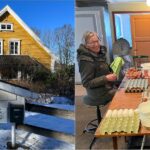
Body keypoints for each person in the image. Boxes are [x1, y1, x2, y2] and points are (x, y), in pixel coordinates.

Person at [77, 31, 117, 106]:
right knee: (122, 93)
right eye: (92, 42)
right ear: (86, 45)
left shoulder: (98, 54)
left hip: (107, 87)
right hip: (98, 94)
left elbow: (100, 69)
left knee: (124, 86)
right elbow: (86, 83)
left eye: (97, 41)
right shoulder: (85, 60)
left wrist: (111, 69)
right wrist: (106, 78)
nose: (96, 44)